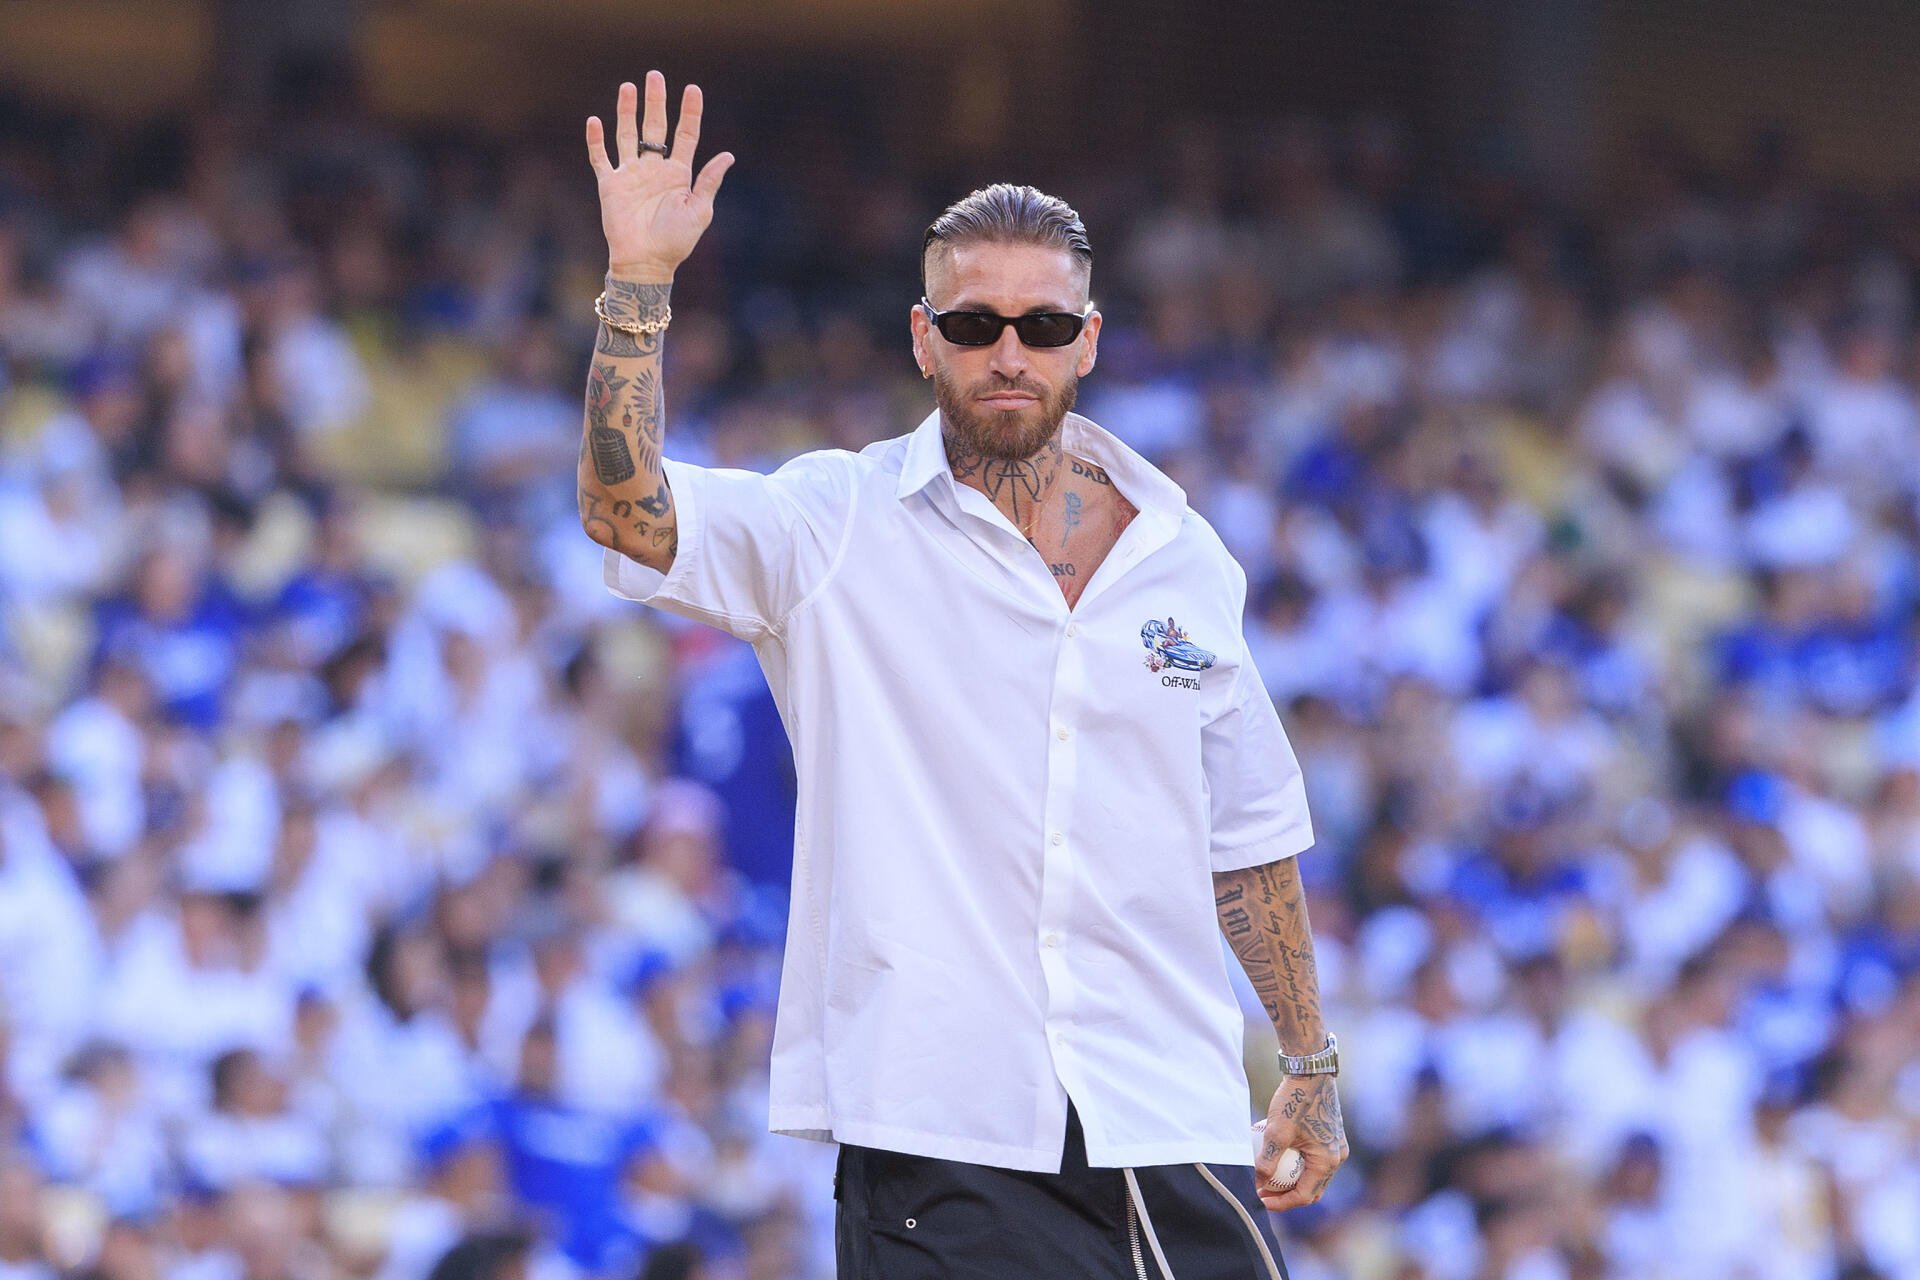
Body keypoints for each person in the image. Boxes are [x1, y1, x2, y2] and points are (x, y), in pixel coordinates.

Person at [576, 71, 1348, 1278]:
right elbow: (627, 512)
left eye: (1043, 326)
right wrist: (638, 285)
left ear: (1088, 341)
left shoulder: (1182, 551)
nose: (1010, 353)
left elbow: (1246, 836)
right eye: (976, 324)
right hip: (941, 1128)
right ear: (923, 337)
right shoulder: (836, 522)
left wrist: (1308, 1061)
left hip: (1168, 1112)